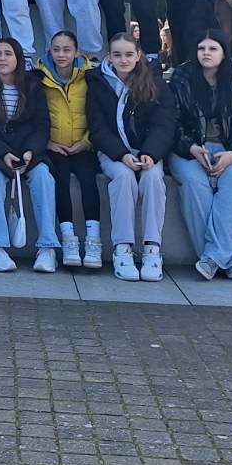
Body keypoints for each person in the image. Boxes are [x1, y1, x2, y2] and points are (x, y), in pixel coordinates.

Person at [167, 28, 232, 280]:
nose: (206, 53)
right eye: (201, 48)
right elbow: (171, 123)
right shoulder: (181, 78)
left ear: (224, 53)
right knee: (193, 182)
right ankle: (228, 259)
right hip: (189, 150)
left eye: (213, 48)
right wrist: (191, 147)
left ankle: (212, 258)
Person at [86, 32, 175, 281]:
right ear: (109, 57)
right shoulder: (97, 83)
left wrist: (150, 154)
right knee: (124, 178)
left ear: (138, 56)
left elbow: (164, 124)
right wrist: (122, 154)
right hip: (114, 153)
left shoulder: (155, 82)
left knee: (153, 179)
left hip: (147, 152)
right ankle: (122, 248)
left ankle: (152, 248)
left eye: (128, 54)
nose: (123, 60)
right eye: (117, 55)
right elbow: (97, 128)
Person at [0, 37, 59, 273]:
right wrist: (3, 153)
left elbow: (42, 125)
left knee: (43, 177)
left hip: (28, 151)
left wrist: (31, 150)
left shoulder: (33, 85)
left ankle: (47, 247)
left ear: (18, 58)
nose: (2, 59)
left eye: (8, 54)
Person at [39, 30, 103, 269]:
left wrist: (86, 141)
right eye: (56, 49)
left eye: (67, 50)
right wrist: (46, 142)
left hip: (83, 145)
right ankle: (68, 239)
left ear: (76, 52)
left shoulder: (89, 77)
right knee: (60, 182)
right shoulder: (40, 78)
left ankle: (93, 239)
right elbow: (36, 115)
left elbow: (98, 114)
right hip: (54, 147)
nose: (61, 55)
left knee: (88, 181)